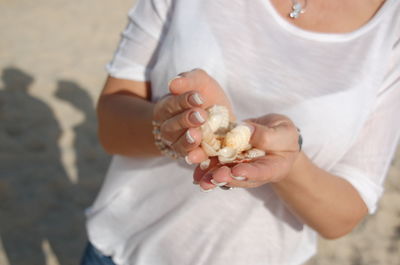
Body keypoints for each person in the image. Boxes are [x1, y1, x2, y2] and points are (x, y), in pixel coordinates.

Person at [81, 0, 400, 264]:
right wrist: (168, 129)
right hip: (124, 249)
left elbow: (344, 213)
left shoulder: (392, 28)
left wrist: (290, 166)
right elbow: (111, 126)